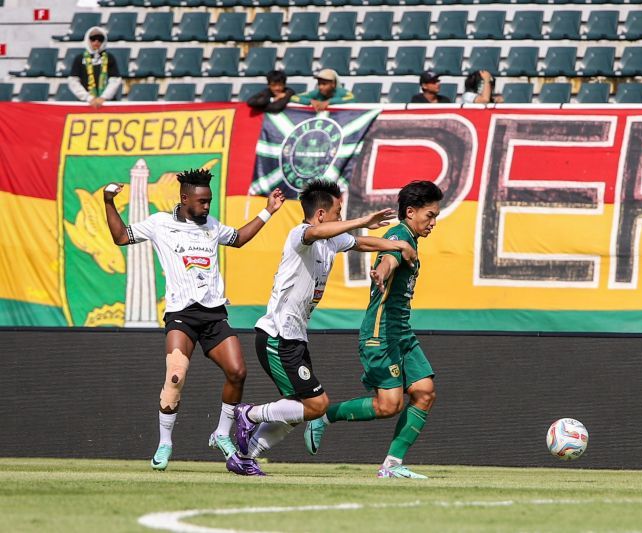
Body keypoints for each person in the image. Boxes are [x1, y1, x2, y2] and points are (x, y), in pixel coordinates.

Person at [229, 179, 418, 476]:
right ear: (320, 214)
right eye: (338, 212)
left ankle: (244, 456)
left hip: (294, 338)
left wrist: (396, 244)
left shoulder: (331, 240)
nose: (341, 218)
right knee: (316, 405)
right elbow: (319, 232)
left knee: (295, 410)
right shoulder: (301, 234)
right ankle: (248, 413)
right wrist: (364, 220)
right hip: (277, 336)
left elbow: (359, 242)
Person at [103, 168, 285, 472]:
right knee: (175, 375)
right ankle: (165, 443)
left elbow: (239, 238)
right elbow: (121, 237)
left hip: (213, 313)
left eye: (209, 201)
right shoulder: (160, 223)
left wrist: (268, 211)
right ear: (185, 198)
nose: (206, 207)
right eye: (201, 201)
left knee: (238, 372)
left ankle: (221, 434)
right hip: (181, 314)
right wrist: (108, 202)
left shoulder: (212, 226)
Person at [304, 180, 443, 479]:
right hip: (380, 333)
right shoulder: (397, 235)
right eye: (429, 215)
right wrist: (381, 271)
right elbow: (389, 260)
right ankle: (324, 416)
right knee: (389, 405)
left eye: (436, 217)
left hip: (401, 332)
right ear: (410, 211)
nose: (433, 222)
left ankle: (392, 465)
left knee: (425, 392)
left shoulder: (411, 238)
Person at [67, 26, 122, 109]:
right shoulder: (79, 58)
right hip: (85, 103)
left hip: (106, 103)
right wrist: (88, 98)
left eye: (100, 39)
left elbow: (115, 80)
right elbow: (73, 81)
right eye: (93, 38)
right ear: (87, 39)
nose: (96, 41)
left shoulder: (109, 58)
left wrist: (104, 97)